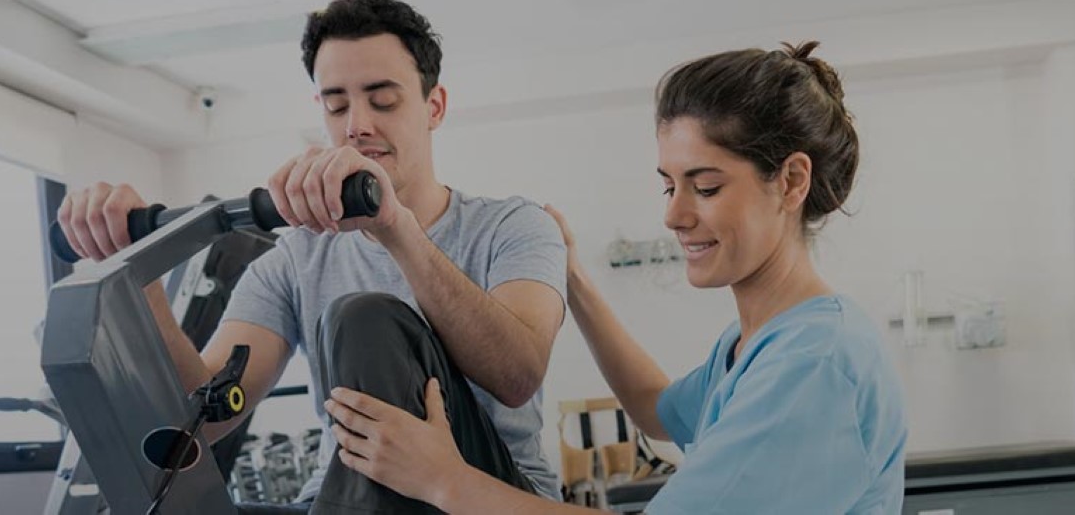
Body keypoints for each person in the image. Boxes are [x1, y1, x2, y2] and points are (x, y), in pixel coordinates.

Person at [319, 41, 908, 514]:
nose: (674, 215)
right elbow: (655, 409)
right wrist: (572, 276)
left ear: (791, 181)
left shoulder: (816, 361)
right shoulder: (751, 345)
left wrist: (444, 480)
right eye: (668, 185)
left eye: (705, 187)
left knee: (366, 323)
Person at [55, 0, 569, 512]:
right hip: (337, 498)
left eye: (382, 99)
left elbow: (516, 376)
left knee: (366, 317)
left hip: (485, 493)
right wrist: (138, 271)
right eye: (337, 103)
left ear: (433, 107)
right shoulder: (294, 259)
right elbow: (206, 418)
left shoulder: (514, 226)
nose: (357, 125)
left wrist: (396, 228)